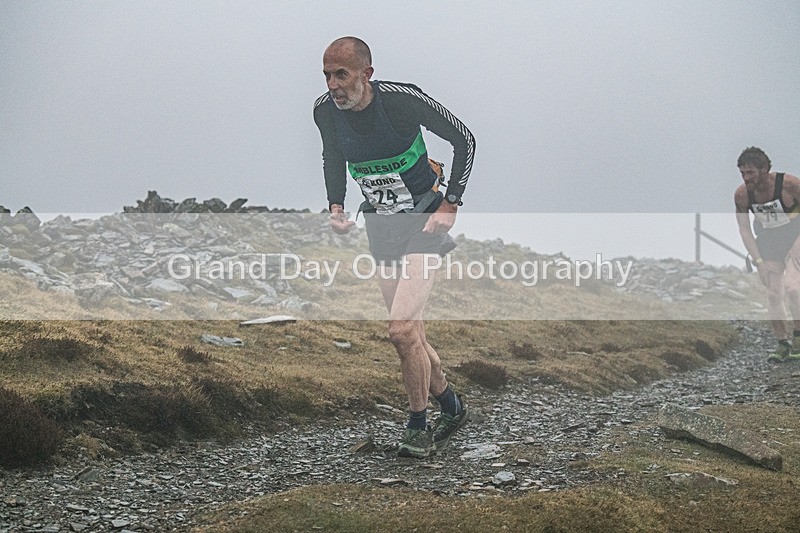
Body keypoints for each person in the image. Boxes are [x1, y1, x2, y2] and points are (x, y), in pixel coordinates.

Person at [313, 36, 475, 458]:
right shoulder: (324, 111)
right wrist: (336, 204)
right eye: (328, 75)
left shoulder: (404, 101)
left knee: (400, 329)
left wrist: (451, 202)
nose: (334, 85)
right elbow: (332, 155)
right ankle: (452, 407)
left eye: (342, 75)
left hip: (424, 219)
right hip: (380, 226)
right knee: (412, 335)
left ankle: (417, 429)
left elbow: (466, 141)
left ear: (367, 73)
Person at [734, 146, 800, 362]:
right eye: (742, 173)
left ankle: (798, 337)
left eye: (750, 172)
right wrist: (759, 261)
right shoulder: (743, 195)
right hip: (769, 242)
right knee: (773, 294)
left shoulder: (789, 184)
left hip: (795, 237)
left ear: (764, 169)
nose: (746, 177)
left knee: (792, 288)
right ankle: (782, 343)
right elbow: (744, 229)